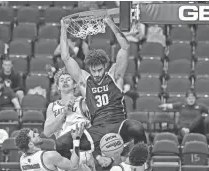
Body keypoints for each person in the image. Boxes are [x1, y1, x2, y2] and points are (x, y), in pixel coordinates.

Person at [59, 15, 147, 168]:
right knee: (61, 143)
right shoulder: (84, 80)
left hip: (118, 125)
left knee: (137, 127)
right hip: (96, 130)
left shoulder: (114, 75)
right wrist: (63, 28)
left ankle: (139, 164)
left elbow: (125, 47)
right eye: (94, 71)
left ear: (105, 66)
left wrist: (111, 23)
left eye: (99, 70)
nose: (97, 74)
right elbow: (66, 57)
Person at [44, 67, 95, 171]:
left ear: (75, 84)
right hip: (63, 156)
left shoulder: (83, 102)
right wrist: (63, 113)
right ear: (58, 86)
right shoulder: (52, 106)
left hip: (83, 152)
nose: (65, 82)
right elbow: (47, 132)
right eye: (61, 80)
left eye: (68, 79)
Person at [16, 123, 85, 171]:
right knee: (83, 167)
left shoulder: (22, 160)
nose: (37, 134)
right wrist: (76, 140)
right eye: (34, 135)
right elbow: (73, 166)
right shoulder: (49, 156)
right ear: (31, 144)